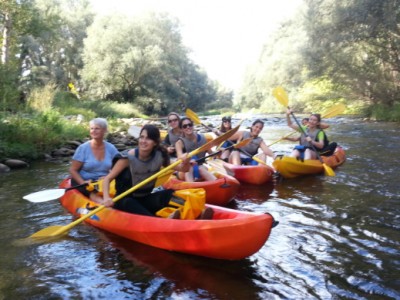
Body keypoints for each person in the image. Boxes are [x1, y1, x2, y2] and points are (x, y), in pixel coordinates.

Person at [69, 118, 119, 203]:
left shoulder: (111, 148)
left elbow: (118, 167)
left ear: (104, 130)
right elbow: (73, 170)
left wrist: (109, 176)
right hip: (85, 181)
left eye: (97, 128)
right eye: (92, 128)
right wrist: (83, 182)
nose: (93, 131)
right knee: (92, 191)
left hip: (103, 182)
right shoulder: (83, 148)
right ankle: (103, 204)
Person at [175, 117, 217, 182]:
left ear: (193, 125)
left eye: (190, 125)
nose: (188, 127)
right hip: (185, 169)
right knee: (189, 168)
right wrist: (188, 160)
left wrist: (218, 152)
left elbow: (211, 153)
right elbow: (179, 158)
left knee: (201, 168)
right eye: (185, 126)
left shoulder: (203, 138)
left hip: (200, 168)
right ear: (181, 129)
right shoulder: (179, 143)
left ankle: (218, 184)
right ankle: (192, 189)